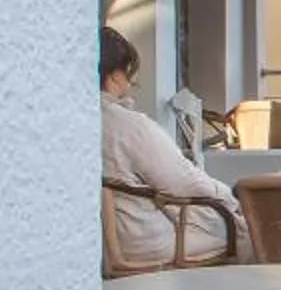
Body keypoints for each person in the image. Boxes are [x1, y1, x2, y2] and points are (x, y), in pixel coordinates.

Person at [100, 27, 244, 267]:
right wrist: (232, 199)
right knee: (242, 232)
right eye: (128, 74)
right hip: (144, 243)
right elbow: (182, 180)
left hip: (102, 242)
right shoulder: (130, 126)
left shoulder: (79, 125)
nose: (130, 81)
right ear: (115, 75)